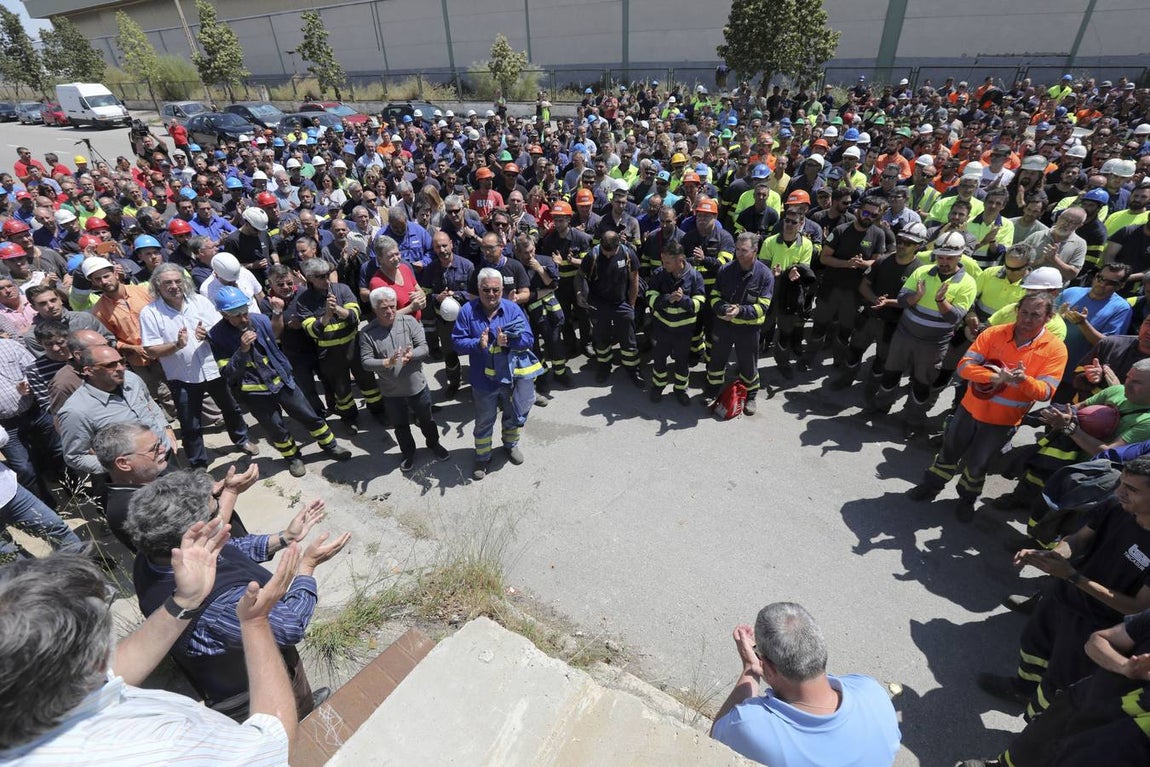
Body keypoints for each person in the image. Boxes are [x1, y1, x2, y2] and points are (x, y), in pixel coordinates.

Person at [0, 524, 299, 764]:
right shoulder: (161, 748)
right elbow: (272, 744)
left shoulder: (26, 707)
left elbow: (109, 673)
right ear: (93, 656)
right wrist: (255, 623)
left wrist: (186, 601)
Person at [126, 470, 346, 721]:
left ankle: (304, 707)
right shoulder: (220, 604)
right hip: (254, 693)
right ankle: (305, 717)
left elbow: (231, 549)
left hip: (228, 675)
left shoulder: (156, 555)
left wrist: (285, 538)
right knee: (293, 724)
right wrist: (307, 567)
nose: (222, 517)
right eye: (214, 513)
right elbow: (290, 626)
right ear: (196, 534)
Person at [976, 456, 1150, 723]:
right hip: (1062, 597)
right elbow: (1079, 539)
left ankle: (1033, 728)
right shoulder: (1116, 505)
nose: (1120, 492)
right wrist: (1055, 556)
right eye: (1121, 483)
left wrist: (1073, 577)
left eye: (1132, 489)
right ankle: (1022, 689)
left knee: (1058, 682)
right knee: (1034, 646)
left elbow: (1137, 608)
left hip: (1096, 624)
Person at [906, 292, 1067, 522]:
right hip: (969, 410)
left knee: (978, 465)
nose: (1028, 319)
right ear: (1017, 311)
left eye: (1035, 315)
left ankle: (966, 500)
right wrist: (994, 377)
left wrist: (1024, 381)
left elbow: (1046, 392)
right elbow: (964, 368)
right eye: (1024, 313)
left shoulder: (1055, 349)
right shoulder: (994, 333)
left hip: (1002, 422)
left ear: (1048, 317)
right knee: (948, 452)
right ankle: (931, 486)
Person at [710, 602, 901, 767]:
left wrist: (751, 669)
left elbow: (716, 738)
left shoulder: (750, 725)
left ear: (769, 668)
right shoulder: (872, 693)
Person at [208, 286, 351, 478]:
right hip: (255, 393)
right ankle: (293, 458)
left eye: (245, 312)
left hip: (282, 381)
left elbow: (275, 337)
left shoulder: (257, 320)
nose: (244, 319)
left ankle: (331, 446)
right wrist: (242, 350)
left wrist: (277, 314)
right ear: (224, 314)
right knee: (276, 429)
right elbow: (228, 373)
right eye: (237, 316)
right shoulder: (217, 336)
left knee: (310, 416)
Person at [139, 264, 256, 469]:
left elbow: (221, 329)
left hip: (213, 368)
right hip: (182, 375)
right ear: (157, 285)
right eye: (168, 282)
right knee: (189, 421)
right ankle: (198, 462)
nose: (174, 286)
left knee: (230, 407)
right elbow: (150, 349)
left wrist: (208, 336)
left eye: (178, 281)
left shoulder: (200, 302)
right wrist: (176, 345)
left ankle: (241, 438)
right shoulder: (150, 313)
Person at [868, 231, 978, 433]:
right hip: (905, 335)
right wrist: (916, 297)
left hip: (933, 344)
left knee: (922, 382)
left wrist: (940, 301)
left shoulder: (968, 283)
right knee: (891, 372)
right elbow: (901, 300)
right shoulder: (923, 271)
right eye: (940, 257)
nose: (943, 262)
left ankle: (913, 419)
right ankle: (881, 406)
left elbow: (954, 318)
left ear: (960, 256)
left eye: (949, 258)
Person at [452, 267, 541, 481]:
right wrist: (478, 343)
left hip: (510, 379)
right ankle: (482, 457)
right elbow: (456, 342)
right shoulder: (467, 310)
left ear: (502, 289)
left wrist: (509, 341)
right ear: (479, 289)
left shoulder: (512, 309)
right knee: (484, 421)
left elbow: (529, 339)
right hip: (483, 381)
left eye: (496, 290)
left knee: (512, 416)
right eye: (486, 290)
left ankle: (510, 445)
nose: (491, 294)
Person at [359, 286, 449, 473]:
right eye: (384, 308)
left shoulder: (408, 322)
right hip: (391, 392)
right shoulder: (368, 332)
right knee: (400, 425)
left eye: (392, 306)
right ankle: (408, 453)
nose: (390, 311)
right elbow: (366, 362)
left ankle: (434, 445)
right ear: (375, 309)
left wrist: (412, 355)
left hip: (416, 386)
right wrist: (387, 362)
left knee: (427, 420)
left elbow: (424, 348)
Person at [288, 258, 383, 432]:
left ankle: (378, 411)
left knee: (368, 382)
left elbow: (355, 315)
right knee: (341, 390)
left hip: (354, 345)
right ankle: (349, 418)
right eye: (320, 276)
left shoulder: (342, 289)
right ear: (310, 278)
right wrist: (325, 316)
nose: (326, 280)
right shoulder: (304, 301)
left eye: (327, 275)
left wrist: (338, 309)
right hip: (329, 353)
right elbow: (312, 330)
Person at [704, 232, 773, 413]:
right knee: (717, 359)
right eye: (737, 249)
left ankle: (750, 395)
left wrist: (740, 311)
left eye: (744, 250)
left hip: (748, 329)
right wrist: (723, 309)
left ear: (755, 250)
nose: (739, 254)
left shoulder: (765, 275)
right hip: (724, 324)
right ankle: (712, 389)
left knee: (748, 363)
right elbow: (714, 296)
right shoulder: (725, 270)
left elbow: (763, 307)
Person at [577, 230, 643, 387]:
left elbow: (634, 280)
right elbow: (579, 276)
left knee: (628, 339)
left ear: (618, 245)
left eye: (610, 253)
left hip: (622, 303)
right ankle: (604, 366)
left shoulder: (628, 254)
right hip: (599, 304)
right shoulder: (592, 255)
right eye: (604, 252)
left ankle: (632, 369)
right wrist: (579, 293)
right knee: (601, 339)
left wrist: (631, 305)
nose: (606, 256)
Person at [646, 240, 704, 404]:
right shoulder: (659, 274)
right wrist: (667, 299)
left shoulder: (694, 276)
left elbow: (700, 303)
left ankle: (680, 389)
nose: (664, 265)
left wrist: (684, 300)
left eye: (668, 262)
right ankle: (658, 386)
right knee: (659, 360)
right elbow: (649, 297)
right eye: (663, 261)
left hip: (683, 331)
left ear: (681, 259)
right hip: (662, 328)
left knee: (682, 362)